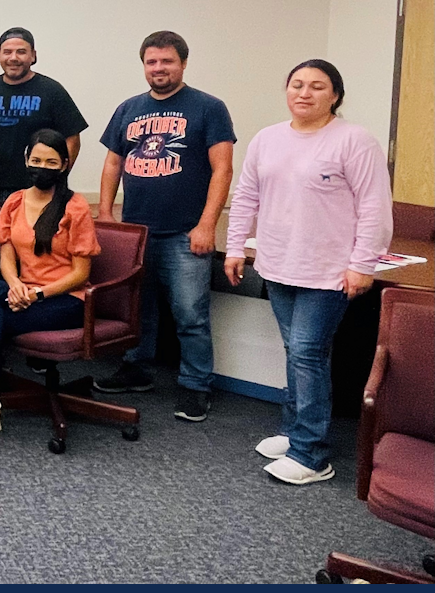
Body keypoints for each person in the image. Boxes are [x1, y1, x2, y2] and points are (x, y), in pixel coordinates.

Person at [225, 59, 391, 485]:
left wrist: (362, 264)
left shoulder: (355, 141)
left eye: (317, 86)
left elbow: (375, 207)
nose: (304, 92)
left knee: (307, 354)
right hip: (278, 264)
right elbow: (245, 197)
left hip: (329, 272)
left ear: (334, 95)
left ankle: (312, 454)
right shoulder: (268, 139)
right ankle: (295, 430)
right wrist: (235, 247)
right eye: (296, 84)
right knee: (297, 353)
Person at [94, 31, 236, 423]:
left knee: (190, 313)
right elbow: (112, 164)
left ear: (183, 63)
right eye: (151, 62)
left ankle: (195, 385)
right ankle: (136, 370)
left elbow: (222, 169)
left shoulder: (208, 108)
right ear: (144, 66)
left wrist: (207, 224)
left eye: (167, 61)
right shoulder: (128, 108)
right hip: (136, 232)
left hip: (185, 231)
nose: (159, 68)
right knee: (138, 308)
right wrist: (107, 215)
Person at [0, 129, 100, 438]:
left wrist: (36, 294)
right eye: (36, 159)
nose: (42, 166)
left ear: (65, 165)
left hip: (65, 299)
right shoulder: (14, 202)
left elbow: (81, 273)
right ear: (26, 160)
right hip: (24, 289)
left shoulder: (75, 206)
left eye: (51, 162)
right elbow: (6, 256)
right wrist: (16, 285)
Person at [0, 27, 89, 205]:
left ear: (33, 56)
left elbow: (72, 139)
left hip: (37, 192)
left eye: (21, 52)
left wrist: (57, 178)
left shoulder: (52, 91)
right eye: (7, 52)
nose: (13, 58)